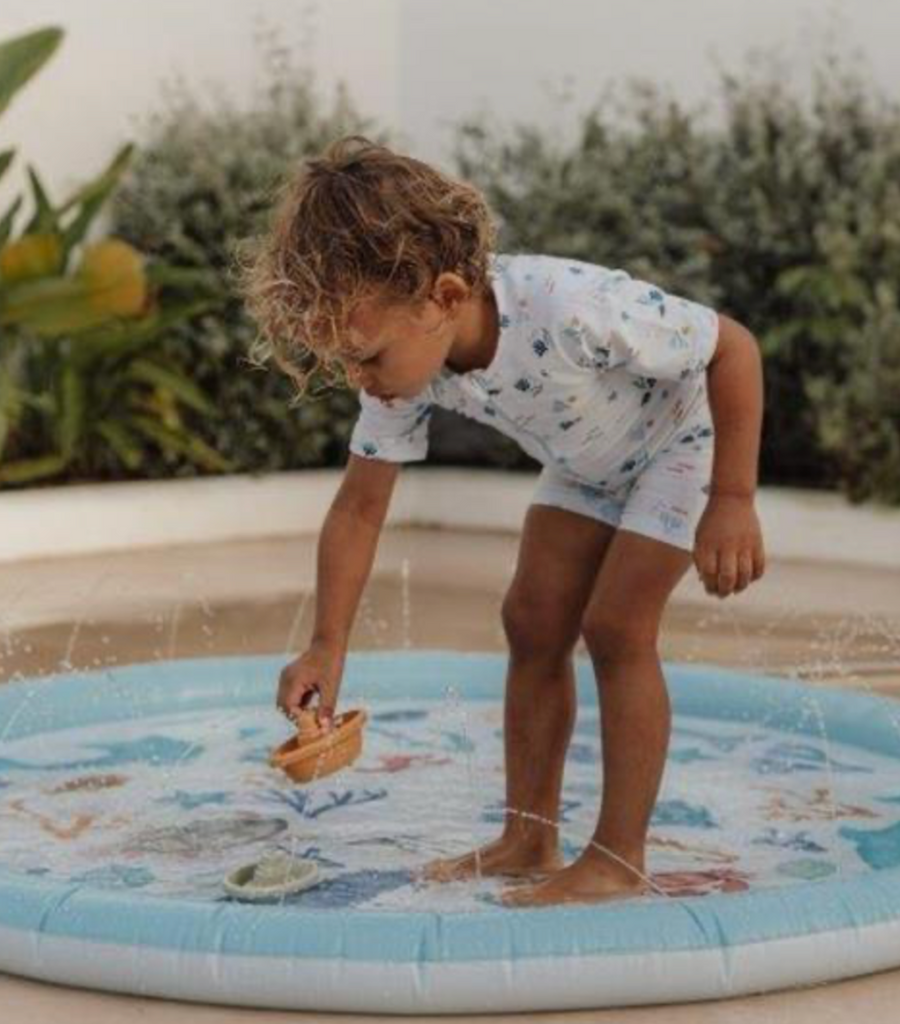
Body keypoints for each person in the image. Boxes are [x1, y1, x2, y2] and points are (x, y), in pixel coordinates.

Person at [240, 135, 767, 906]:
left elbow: (733, 348)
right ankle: (530, 834)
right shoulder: (404, 367)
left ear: (444, 298)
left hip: (681, 442)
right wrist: (326, 643)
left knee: (616, 627)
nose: (359, 378)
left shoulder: (570, 306)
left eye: (367, 355)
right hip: (588, 468)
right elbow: (359, 507)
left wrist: (733, 500)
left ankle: (618, 858)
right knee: (531, 621)